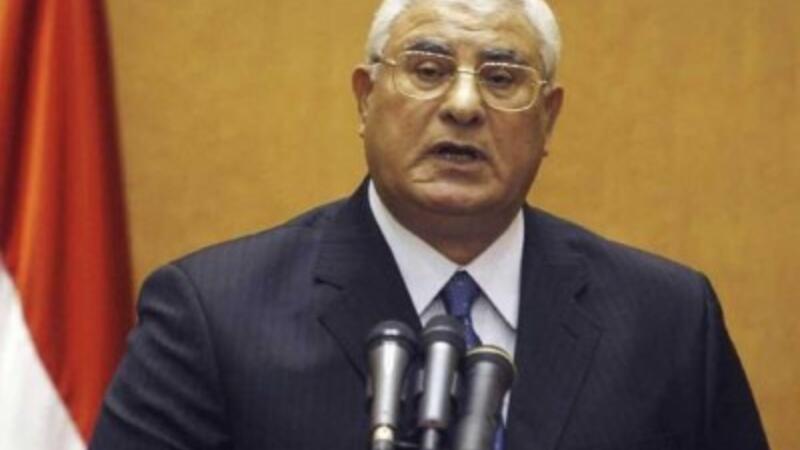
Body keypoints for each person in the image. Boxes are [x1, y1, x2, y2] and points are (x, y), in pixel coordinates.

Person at [90, 0, 769, 449]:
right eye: (427, 69)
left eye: (502, 78)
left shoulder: (668, 321)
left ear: (548, 119)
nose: (464, 105)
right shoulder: (214, 316)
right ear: (365, 100)